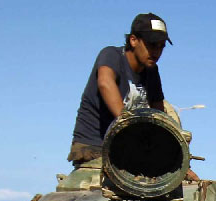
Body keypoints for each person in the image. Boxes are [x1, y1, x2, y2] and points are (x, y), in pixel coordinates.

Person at [68, 13, 171, 169]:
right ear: (133, 40)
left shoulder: (152, 72)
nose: (156, 51)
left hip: (125, 150)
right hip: (94, 147)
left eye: (161, 46)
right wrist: (129, 124)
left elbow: (158, 115)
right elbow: (105, 82)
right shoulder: (112, 55)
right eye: (151, 44)